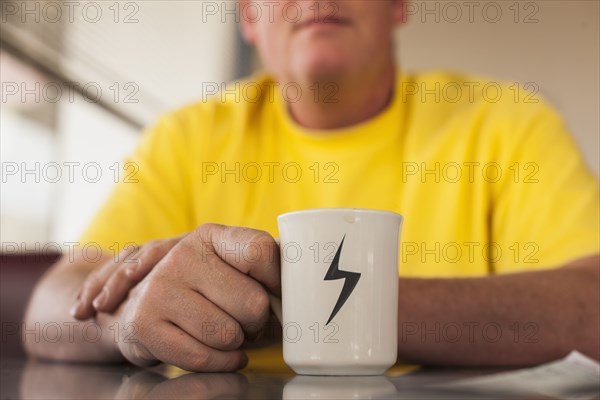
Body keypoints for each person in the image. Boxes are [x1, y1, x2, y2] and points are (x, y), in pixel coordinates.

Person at [24, 0, 599, 372]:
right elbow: (49, 308)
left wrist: (309, 308)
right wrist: (128, 317)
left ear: (397, 5)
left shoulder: (506, 122)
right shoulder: (187, 137)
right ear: (249, 17)